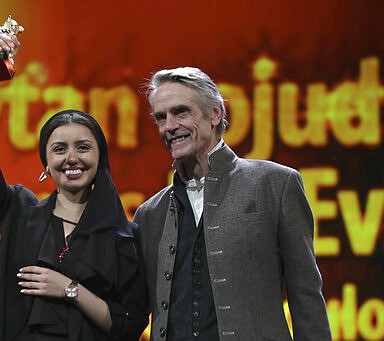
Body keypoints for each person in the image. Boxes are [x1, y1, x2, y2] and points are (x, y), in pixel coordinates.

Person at [0, 28, 148, 340]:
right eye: (59, 149)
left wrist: (71, 290)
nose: (72, 158)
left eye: (83, 147)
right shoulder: (19, 211)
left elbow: (129, 325)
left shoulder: (126, 237)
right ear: (46, 165)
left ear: (100, 160)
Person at [133, 67, 332, 340]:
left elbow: (306, 296)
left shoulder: (275, 184)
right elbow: (134, 310)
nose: (168, 126)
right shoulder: (149, 214)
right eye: (161, 117)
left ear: (214, 114)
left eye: (181, 112)